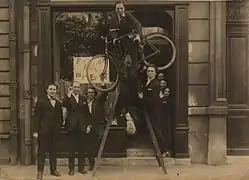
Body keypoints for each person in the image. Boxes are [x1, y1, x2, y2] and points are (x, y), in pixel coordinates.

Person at [110, 0, 143, 121]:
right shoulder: (114, 18)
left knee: (134, 53)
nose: (120, 10)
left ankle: (140, 60)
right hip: (122, 41)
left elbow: (138, 25)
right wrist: (114, 39)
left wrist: (138, 35)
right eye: (118, 8)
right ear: (115, 10)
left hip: (131, 37)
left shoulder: (128, 16)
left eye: (121, 8)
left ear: (124, 8)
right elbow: (113, 30)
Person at [33, 83, 63, 180]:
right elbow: (36, 117)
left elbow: (60, 118)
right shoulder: (41, 102)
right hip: (44, 131)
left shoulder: (58, 103)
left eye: (54, 89)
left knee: (53, 152)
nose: (52, 91)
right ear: (47, 90)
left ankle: (53, 170)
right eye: (51, 89)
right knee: (42, 152)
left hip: (54, 132)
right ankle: (40, 172)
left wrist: (58, 128)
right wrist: (36, 131)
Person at [62, 81, 90, 175]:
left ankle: (81, 168)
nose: (76, 89)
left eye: (78, 87)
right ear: (72, 88)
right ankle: (71, 169)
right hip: (71, 127)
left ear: (80, 88)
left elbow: (87, 114)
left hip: (82, 127)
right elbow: (65, 104)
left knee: (81, 149)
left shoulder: (83, 99)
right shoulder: (68, 98)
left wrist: (88, 125)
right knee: (71, 149)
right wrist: (68, 95)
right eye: (74, 87)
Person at [138, 64, 166, 155]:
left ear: (155, 73)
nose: (149, 73)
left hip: (154, 111)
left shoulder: (156, 84)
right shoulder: (146, 81)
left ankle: (163, 150)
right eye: (148, 71)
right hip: (148, 110)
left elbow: (153, 100)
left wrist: (142, 98)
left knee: (156, 130)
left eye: (152, 71)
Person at [85, 86, 108, 171]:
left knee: (99, 139)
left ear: (94, 94)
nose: (90, 94)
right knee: (89, 146)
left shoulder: (98, 101)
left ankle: (97, 156)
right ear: (86, 94)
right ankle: (91, 164)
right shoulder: (84, 103)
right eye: (89, 93)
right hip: (90, 127)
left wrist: (103, 85)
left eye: (92, 92)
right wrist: (87, 125)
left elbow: (104, 94)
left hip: (99, 125)